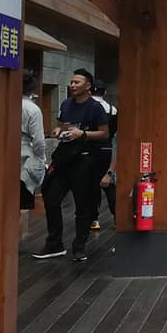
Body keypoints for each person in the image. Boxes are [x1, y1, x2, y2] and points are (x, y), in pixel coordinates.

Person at [35, 69, 109, 263]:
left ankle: (79, 246)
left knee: (82, 205)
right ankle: (54, 244)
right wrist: (58, 130)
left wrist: (82, 134)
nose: (72, 85)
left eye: (77, 82)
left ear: (88, 86)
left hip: (84, 160)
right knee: (51, 198)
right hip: (64, 158)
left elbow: (104, 133)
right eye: (72, 82)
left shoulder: (95, 108)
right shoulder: (66, 104)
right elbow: (60, 125)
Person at [88, 83, 118, 231]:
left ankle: (94, 219)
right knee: (110, 185)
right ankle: (117, 218)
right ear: (104, 92)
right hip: (107, 148)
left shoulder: (88, 108)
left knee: (92, 186)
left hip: (89, 148)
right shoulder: (113, 109)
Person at [20, 72, 47, 227]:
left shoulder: (4, 101)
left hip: (3, 156)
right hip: (25, 157)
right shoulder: (32, 109)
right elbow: (38, 141)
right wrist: (41, 159)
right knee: (22, 204)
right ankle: (16, 237)